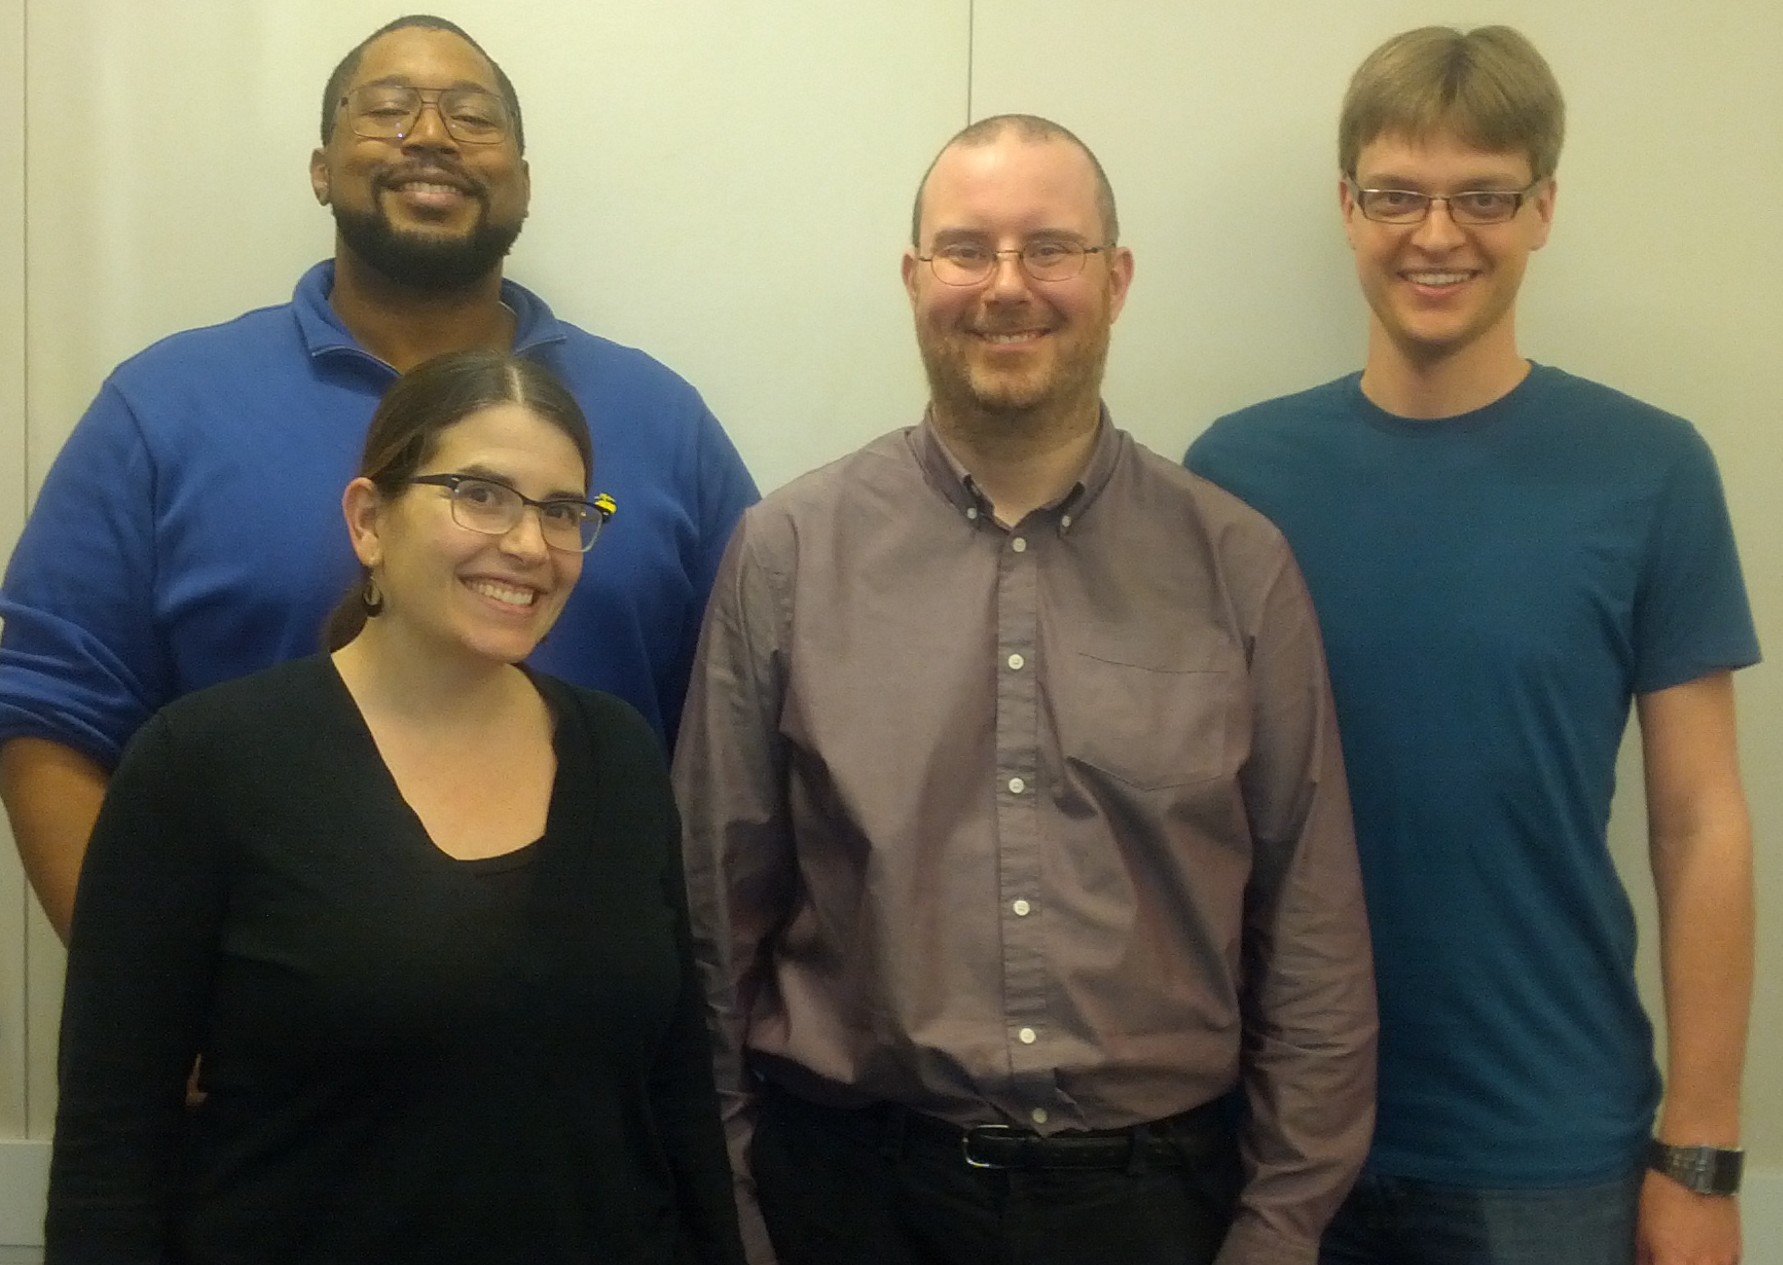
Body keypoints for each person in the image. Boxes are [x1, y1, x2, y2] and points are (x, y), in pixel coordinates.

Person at [674, 113, 1376, 1265]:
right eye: (967, 249)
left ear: (1116, 277)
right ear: (915, 277)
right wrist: (738, 1210)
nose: (1007, 285)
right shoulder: (788, 554)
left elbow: (1312, 932)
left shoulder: (1234, 565)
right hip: (848, 1199)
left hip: (1157, 1213)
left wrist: (1280, 1227)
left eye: (1050, 247)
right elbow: (713, 914)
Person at [1187, 26, 1758, 1265]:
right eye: (1396, 194)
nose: (1435, 234)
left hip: (1546, 1154)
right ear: (1347, 206)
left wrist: (1702, 1155)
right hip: (1275, 1146)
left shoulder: (1650, 470)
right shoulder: (1234, 476)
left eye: (1482, 196)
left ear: (1542, 208)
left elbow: (1699, 821)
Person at [0, 13, 756, 943]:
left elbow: (748, 732)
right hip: (266, 1014)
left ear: (524, 182)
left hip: (597, 1010)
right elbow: (48, 716)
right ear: (322, 169)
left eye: (471, 116)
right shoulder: (162, 410)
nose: (430, 135)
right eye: (389, 109)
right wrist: (147, 994)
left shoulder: (662, 421)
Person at [45, 349, 746, 1265]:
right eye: (480, 494)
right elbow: (111, 1146)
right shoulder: (202, 766)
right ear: (369, 520)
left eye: (563, 511)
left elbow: (676, 1097)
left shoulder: (619, 754)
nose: (529, 544)